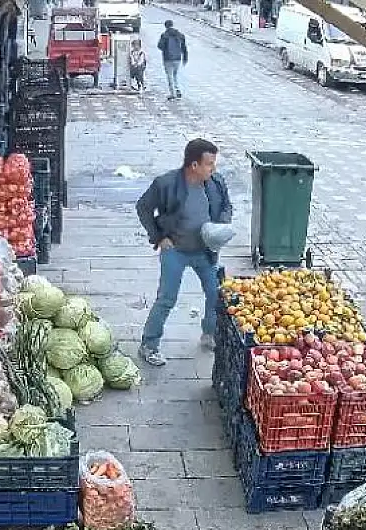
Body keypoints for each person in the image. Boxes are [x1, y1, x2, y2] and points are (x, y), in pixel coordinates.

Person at [136, 139, 234, 366]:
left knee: (216, 293)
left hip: (205, 252)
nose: (213, 168)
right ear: (194, 165)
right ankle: (149, 345)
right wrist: (160, 237)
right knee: (167, 299)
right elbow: (143, 207)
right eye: (209, 164)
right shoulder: (166, 184)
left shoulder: (216, 183)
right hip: (176, 251)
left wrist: (220, 226)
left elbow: (227, 206)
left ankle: (209, 334)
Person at [157, 20, 188, 100]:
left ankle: (172, 93)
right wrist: (185, 57)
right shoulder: (180, 35)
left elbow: (160, 46)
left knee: (170, 76)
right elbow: (184, 47)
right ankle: (177, 89)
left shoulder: (164, 35)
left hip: (168, 58)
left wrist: (166, 50)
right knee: (175, 75)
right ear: (172, 25)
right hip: (178, 58)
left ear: (166, 26)